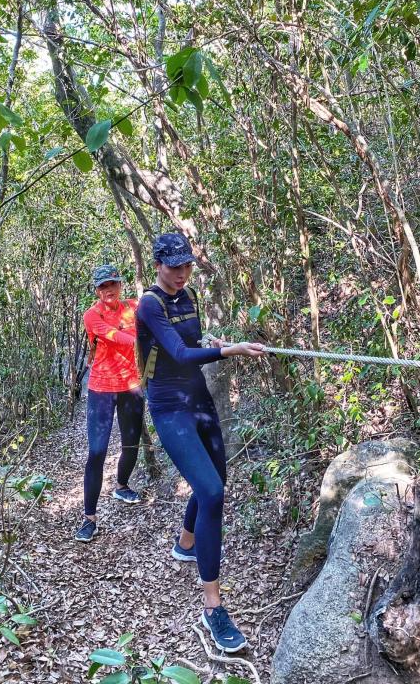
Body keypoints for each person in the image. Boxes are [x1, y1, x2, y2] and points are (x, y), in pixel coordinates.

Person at [136, 233, 265, 652]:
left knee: (217, 481)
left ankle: (186, 542)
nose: (181, 274)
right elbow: (176, 352)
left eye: (187, 266)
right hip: (169, 405)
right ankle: (213, 607)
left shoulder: (187, 296)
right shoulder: (149, 304)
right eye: (174, 267)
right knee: (211, 491)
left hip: (198, 398)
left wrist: (216, 343)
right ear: (158, 265)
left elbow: (192, 342)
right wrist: (231, 352)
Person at [75, 265, 143, 543]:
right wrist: (145, 341)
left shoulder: (134, 307)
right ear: (96, 290)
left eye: (112, 284)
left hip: (131, 385)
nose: (108, 290)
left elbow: (158, 315)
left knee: (131, 443)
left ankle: (122, 485)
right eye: (102, 286)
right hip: (101, 388)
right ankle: (89, 518)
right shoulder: (91, 316)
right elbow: (116, 337)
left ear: (120, 285)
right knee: (97, 451)